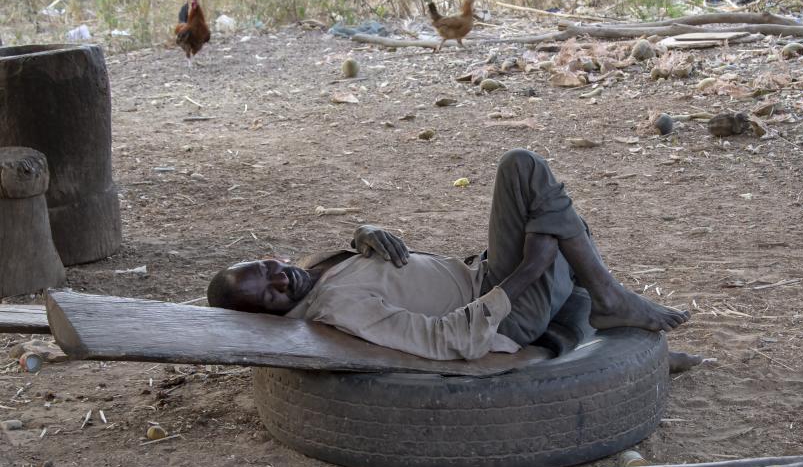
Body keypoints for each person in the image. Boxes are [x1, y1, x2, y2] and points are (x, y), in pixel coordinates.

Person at [208, 149, 699, 366]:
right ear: (268, 319)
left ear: (267, 256)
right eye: (271, 296)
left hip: (483, 272)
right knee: (541, 195)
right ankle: (611, 302)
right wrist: (528, 271)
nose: (281, 281)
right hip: (506, 315)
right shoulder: (339, 309)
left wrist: (364, 232)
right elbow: (448, 341)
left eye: (267, 269)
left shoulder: (315, 269)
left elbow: (371, 264)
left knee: (539, 196)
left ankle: (624, 343)